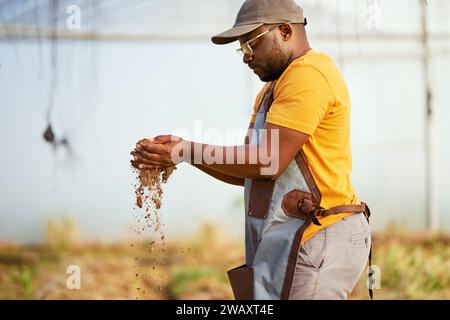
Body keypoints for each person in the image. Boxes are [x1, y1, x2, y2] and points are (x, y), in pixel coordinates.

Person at [131, 0, 372, 300]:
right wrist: (182, 157)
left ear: (285, 30)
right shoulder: (270, 91)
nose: (246, 56)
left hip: (319, 235)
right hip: (292, 238)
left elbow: (267, 162)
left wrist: (185, 151)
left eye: (252, 43)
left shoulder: (308, 75)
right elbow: (252, 172)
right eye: (241, 47)